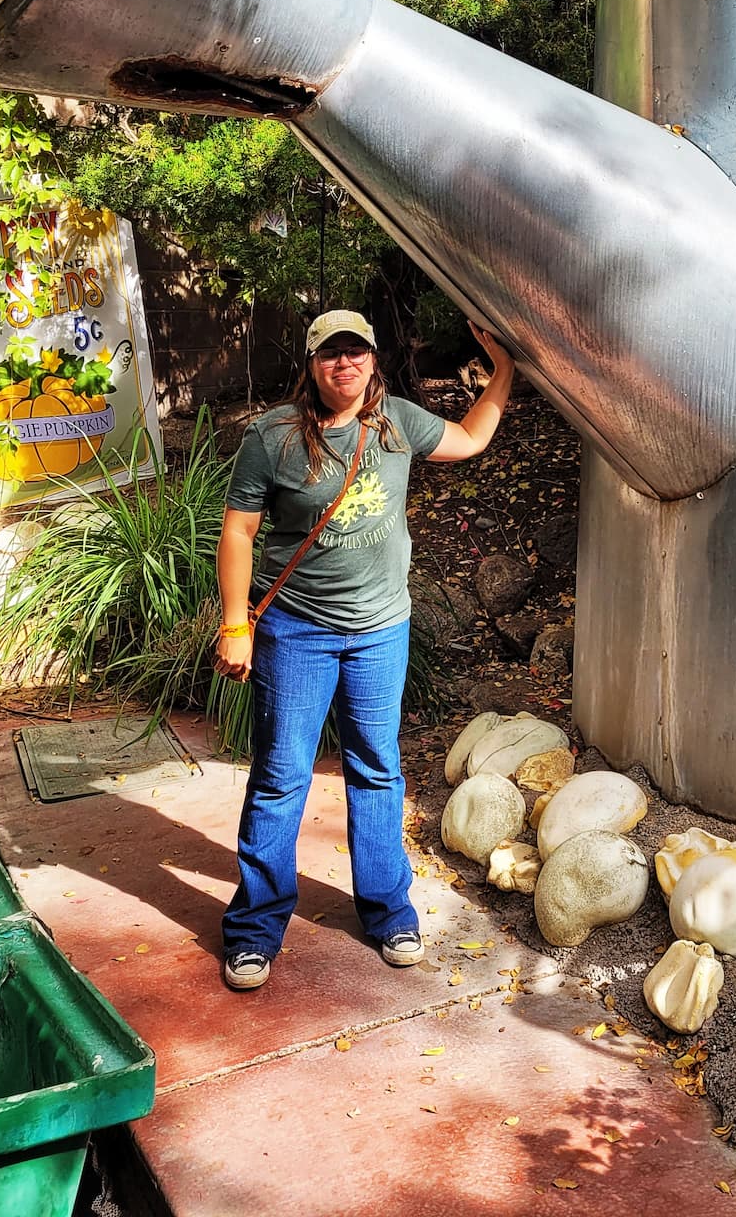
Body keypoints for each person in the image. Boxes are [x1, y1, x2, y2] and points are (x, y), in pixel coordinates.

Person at [214, 306, 514, 991]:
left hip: (380, 631)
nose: (343, 364)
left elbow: (469, 438)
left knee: (377, 768)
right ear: (311, 364)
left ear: (373, 360)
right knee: (281, 777)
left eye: (356, 352)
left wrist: (506, 372)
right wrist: (237, 624)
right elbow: (238, 534)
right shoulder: (274, 438)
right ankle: (255, 928)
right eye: (329, 354)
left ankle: (388, 912)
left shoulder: (398, 423)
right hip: (296, 631)